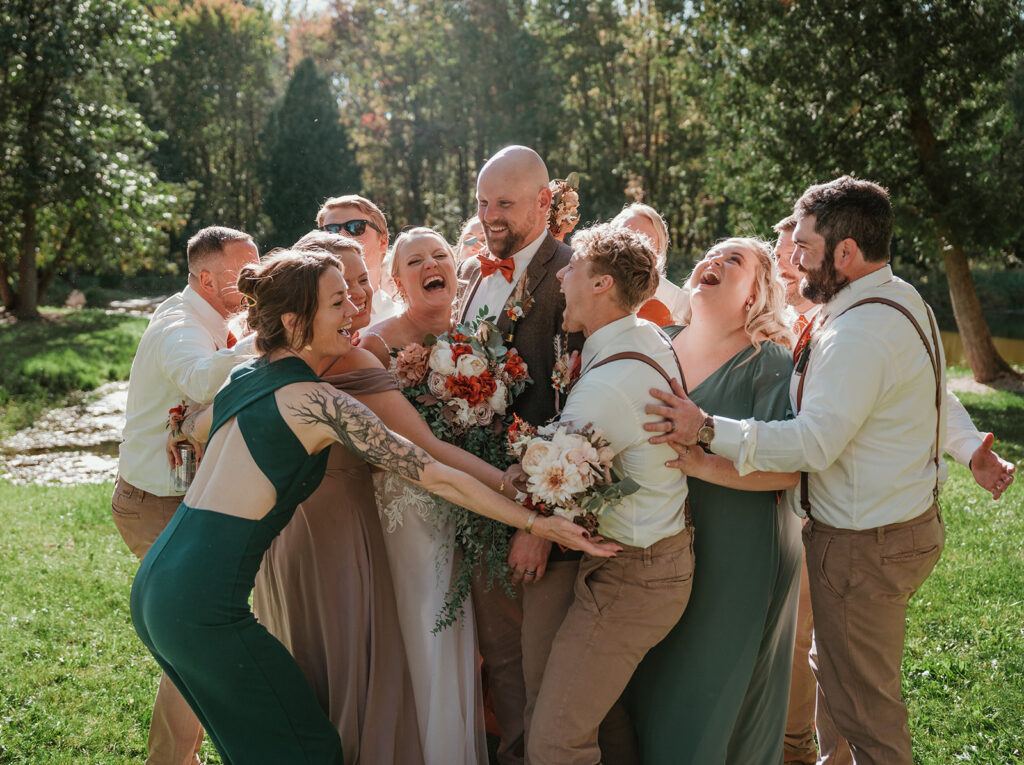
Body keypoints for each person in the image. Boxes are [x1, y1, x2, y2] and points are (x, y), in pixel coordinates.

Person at [130, 248, 616, 764]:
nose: (353, 311)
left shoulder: (242, 378)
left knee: (260, 747)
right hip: (203, 608)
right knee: (308, 750)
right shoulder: (317, 403)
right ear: (295, 322)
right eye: (337, 303)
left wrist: (179, 429)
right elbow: (436, 476)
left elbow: (195, 423)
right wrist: (539, 522)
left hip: (157, 588)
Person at [645, 176, 965, 764]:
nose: (793, 259)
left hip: (866, 538)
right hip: (892, 523)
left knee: (866, 708)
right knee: (840, 682)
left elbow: (813, 444)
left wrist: (708, 429)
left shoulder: (859, 332)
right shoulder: (897, 300)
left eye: (807, 247)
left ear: (845, 254)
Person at [626, 237, 801, 764]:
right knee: (648, 683)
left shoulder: (769, 363)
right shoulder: (656, 343)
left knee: (710, 691)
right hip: (652, 539)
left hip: (738, 546)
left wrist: (703, 461)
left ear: (755, 293)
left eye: (734, 260)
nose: (713, 262)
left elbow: (789, 470)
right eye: (710, 254)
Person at [525, 223, 695, 765]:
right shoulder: (646, 337)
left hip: (634, 577)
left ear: (601, 285)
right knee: (602, 718)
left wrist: (508, 482)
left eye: (572, 267)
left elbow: (549, 485)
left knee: (554, 741)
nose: (561, 276)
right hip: (651, 561)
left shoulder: (605, 386)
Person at [251, 230, 421, 764]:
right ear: (302, 310)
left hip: (309, 539)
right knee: (328, 666)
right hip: (307, 537)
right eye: (340, 292)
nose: (355, 300)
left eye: (360, 284)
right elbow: (432, 460)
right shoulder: (290, 369)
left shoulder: (273, 367)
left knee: (333, 666)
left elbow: (429, 456)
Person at [112, 225, 258, 765]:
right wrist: (269, 336)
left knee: (195, 640)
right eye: (247, 274)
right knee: (194, 643)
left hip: (184, 499)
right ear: (205, 277)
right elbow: (200, 382)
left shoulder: (218, 319)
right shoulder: (179, 324)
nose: (256, 280)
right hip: (153, 506)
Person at [458, 145, 583, 765]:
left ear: (544, 201)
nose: (490, 216)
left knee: (540, 663)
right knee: (500, 660)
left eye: (504, 203)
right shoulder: (479, 271)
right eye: (483, 203)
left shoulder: (571, 275)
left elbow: (577, 406)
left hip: (539, 512)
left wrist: (536, 522)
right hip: (480, 495)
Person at [356, 226, 492, 764]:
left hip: (478, 508)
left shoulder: (482, 338)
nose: (432, 264)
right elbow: (418, 445)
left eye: (441, 255)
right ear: (397, 279)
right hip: (408, 511)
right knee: (427, 628)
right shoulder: (375, 344)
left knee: (476, 639)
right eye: (416, 261)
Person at [317, 194, 399, 320]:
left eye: (356, 227)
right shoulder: (312, 318)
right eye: (330, 230)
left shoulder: (402, 317)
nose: (341, 236)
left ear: (382, 242)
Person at [611, 203, 688, 326]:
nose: (635, 245)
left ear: (659, 250)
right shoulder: (586, 281)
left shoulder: (675, 301)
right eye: (626, 235)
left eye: (646, 239)